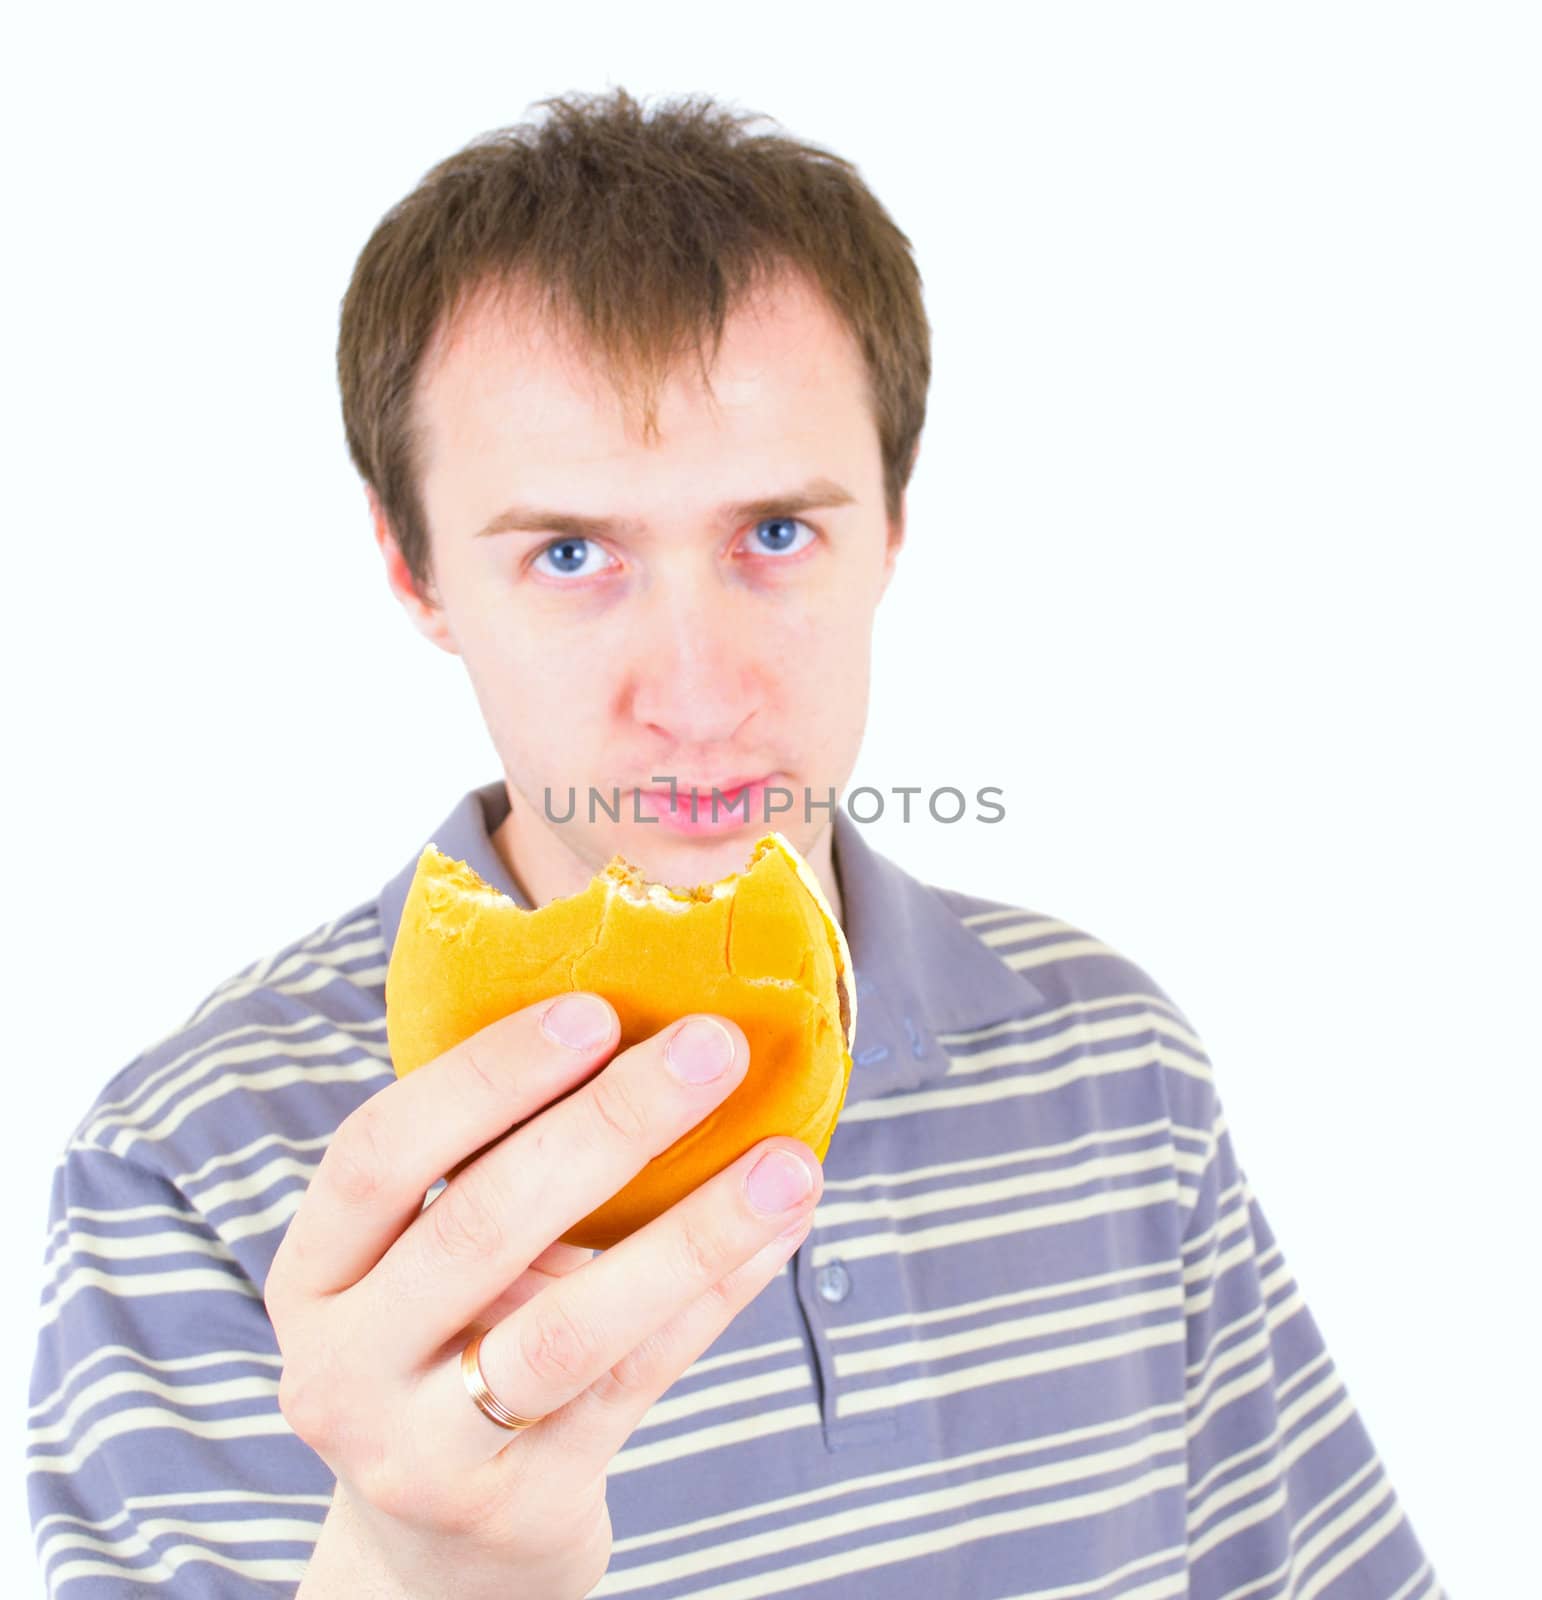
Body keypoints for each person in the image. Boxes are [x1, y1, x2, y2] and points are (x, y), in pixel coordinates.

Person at [27, 86, 1444, 1599]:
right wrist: (415, 1563)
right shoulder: (183, 1168)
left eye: (775, 534)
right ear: (415, 569)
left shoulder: (1108, 1056)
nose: (697, 699)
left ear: (891, 524)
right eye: (569, 554)